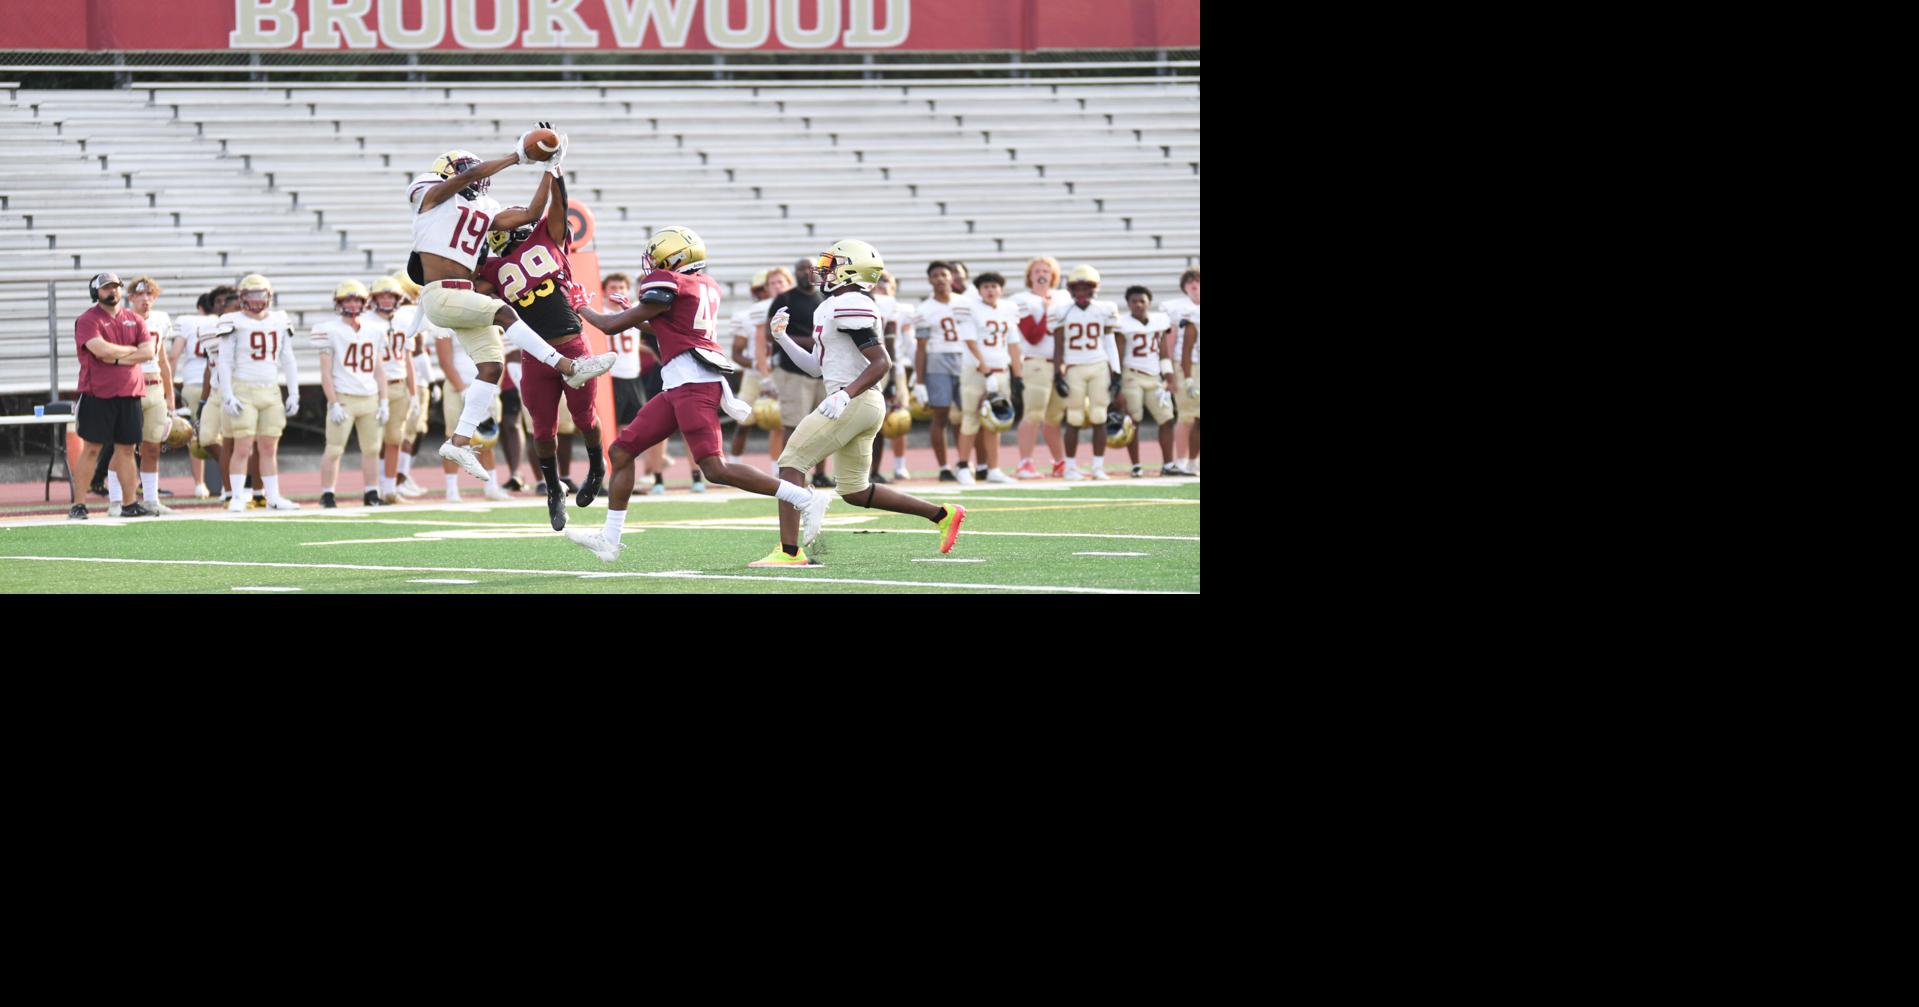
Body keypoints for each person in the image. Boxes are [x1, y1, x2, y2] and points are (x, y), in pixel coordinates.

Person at [564, 226, 830, 563]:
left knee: (714, 469)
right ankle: (610, 540)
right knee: (621, 451)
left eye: (658, 257)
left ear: (674, 258)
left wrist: (581, 307)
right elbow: (666, 325)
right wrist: (632, 310)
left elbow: (609, 326)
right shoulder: (703, 284)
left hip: (694, 384)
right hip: (680, 383)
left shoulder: (672, 284)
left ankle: (805, 498)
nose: (653, 264)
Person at [403, 125, 613, 483]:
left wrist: (550, 168)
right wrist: (517, 156)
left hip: (462, 294)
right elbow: (468, 176)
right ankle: (567, 366)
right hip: (443, 293)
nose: (475, 178)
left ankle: (459, 441)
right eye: (465, 171)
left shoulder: (482, 209)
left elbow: (531, 214)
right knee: (504, 313)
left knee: (491, 367)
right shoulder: (428, 194)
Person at [750, 240, 965, 567]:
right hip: (857, 401)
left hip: (854, 399)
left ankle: (789, 552)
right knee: (855, 491)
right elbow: (816, 367)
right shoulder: (831, 305)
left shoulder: (851, 302)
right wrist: (783, 339)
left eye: (832, 264)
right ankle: (942, 514)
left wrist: (845, 394)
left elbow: (882, 361)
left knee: (792, 462)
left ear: (851, 270)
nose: (824, 270)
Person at [473, 170, 608, 532]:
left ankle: (597, 465)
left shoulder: (547, 236)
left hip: (571, 345)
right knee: (542, 429)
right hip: (536, 354)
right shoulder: (492, 269)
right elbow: (464, 282)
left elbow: (559, 205)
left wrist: (555, 170)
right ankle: (552, 488)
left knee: (584, 418)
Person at [69, 272, 155, 520]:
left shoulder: (134, 319)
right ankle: (78, 505)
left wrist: (117, 358)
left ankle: (129, 503)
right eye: (106, 287)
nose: (112, 291)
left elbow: (148, 352)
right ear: (96, 292)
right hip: (98, 392)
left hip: (130, 392)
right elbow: (100, 350)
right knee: (92, 449)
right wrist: (131, 351)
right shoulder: (88, 319)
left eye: (115, 286)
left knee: (127, 450)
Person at [215, 273, 303, 511]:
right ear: (242, 297)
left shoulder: (280, 319)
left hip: (271, 390)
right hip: (244, 389)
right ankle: (236, 497)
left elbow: (288, 359)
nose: (256, 300)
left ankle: (272, 496)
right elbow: (224, 361)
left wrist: (294, 392)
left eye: (260, 294)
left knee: (269, 448)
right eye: (251, 295)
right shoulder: (232, 320)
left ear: (269, 296)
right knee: (242, 447)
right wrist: (227, 394)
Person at [313, 280, 394, 508]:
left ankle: (371, 493)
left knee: (372, 449)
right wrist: (333, 402)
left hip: (370, 397)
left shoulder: (375, 328)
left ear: (364, 303)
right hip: (344, 397)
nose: (352, 304)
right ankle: (327, 494)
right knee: (334, 448)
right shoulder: (329, 329)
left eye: (357, 300)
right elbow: (325, 372)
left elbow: (379, 369)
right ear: (338, 303)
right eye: (347, 300)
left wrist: (384, 400)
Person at [1047, 264, 1122, 480]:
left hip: (1099, 365)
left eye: (1086, 287)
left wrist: (1116, 372)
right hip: (1074, 367)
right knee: (1074, 418)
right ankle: (1070, 467)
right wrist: (1057, 374)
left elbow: (1109, 342)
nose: (1081, 293)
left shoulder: (1105, 309)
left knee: (1099, 416)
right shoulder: (1061, 311)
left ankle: (1098, 467)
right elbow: (1058, 346)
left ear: (1094, 288)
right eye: (1077, 288)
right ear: (1070, 289)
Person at [764, 256, 833, 488]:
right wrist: (806, 341)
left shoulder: (825, 298)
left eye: (809, 268)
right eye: (801, 269)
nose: (805, 272)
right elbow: (770, 333)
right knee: (794, 424)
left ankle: (821, 473)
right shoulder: (785, 299)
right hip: (793, 370)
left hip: (823, 370)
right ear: (795, 273)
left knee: (824, 425)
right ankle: (788, 472)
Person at [910, 261, 972, 482]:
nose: (940, 279)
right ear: (929, 280)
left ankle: (966, 463)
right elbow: (921, 347)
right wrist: (919, 381)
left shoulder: (966, 303)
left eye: (943, 274)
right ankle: (944, 466)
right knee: (941, 415)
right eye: (935, 275)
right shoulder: (924, 310)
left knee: (968, 414)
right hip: (938, 361)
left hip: (965, 358)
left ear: (951, 277)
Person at [958, 272, 1022, 483]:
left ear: (1001, 289)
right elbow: (970, 343)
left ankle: (994, 469)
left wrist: (1018, 375)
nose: (990, 290)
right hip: (976, 372)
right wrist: (986, 371)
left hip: (1001, 371)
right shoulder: (970, 308)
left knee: (996, 422)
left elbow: (1013, 343)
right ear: (979, 290)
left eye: (994, 286)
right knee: (970, 418)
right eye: (986, 287)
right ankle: (963, 466)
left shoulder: (1008, 309)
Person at [1112, 285, 1182, 476]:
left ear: (1149, 302)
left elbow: (1163, 352)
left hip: (1154, 376)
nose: (1138, 305)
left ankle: (1168, 464)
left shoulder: (1159, 321)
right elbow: (1118, 355)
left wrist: (1169, 377)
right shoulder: (1123, 323)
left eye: (1142, 301)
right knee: (1133, 421)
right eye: (1134, 301)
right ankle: (1136, 465)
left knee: (1167, 419)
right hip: (1131, 376)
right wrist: (1117, 385)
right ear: (1128, 304)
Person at [1011, 255, 1069, 478]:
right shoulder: (1021, 299)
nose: (1042, 275)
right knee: (1033, 413)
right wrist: (1046, 311)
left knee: (1055, 417)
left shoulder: (1063, 297)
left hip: (1060, 364)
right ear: (1029, 276)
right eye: (1037, 271)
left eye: (1046, 271)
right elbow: (1032, 336)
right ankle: (1025, 462)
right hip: (1036, 362)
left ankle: (1060, 462)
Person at [366, 275, 419, 503]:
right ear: (374, 298)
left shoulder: (404, 320)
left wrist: (414, 393)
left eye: (391, 296)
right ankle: (372, 489)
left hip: (399, 385)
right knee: (373, 443)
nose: (387, 300)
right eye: (382, 296)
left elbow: (408, 359)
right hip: (373, 388)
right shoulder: (366, 321)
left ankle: (389, 489)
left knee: (394, 439)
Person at [1163, 267, 1201, 476]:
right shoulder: (1177, 309)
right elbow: (1171, 343)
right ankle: (1182, 460)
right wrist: (1168, 372)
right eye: (1189, 282)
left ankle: (1194, 461)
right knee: (1187, 416)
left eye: (1197, 280)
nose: (1194, 285)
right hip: (1186, 365)